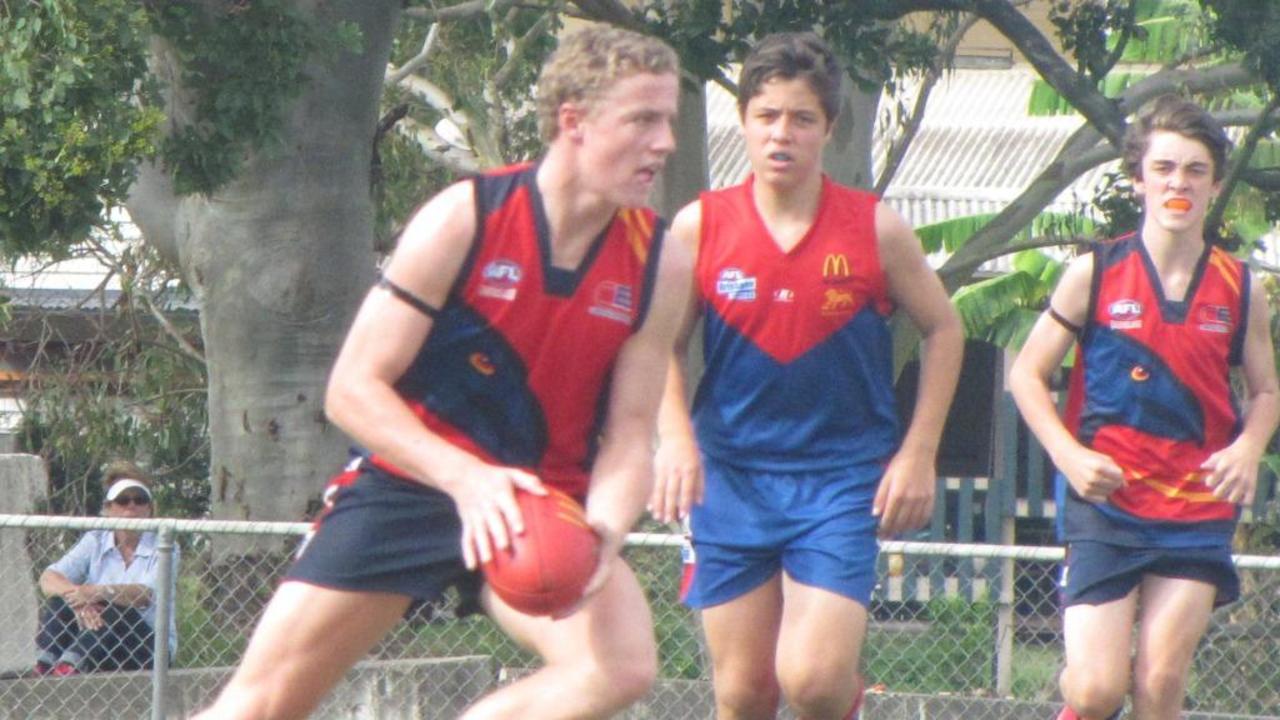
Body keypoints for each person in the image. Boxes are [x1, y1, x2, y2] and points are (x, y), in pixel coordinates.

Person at [193, 25, 691, 720]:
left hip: (543, 501)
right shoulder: (465, 219)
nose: (664, 142)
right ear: (574, 122)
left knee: (619, 668)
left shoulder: (659, 262)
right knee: (259, 705)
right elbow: (351, 389)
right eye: (643, 120)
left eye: (666, 120)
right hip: (417, 484)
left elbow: (632, 432)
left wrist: (606, 526)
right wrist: (465, 477)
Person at [652, 32, 963, 720]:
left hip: (840, 477)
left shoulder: (876, 227)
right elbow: (658, 346)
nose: (781, 134)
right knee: (744, 694)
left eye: (800, 118)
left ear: (828, 127)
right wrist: (673, 440)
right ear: (744, 123)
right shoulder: (701, 224)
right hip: (730, 475)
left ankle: (843, 698)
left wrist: (918, 452)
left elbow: (945, 330)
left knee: (815, 682)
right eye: (766, 116)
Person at [1009, 94, 1280, 720]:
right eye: (1163, 168)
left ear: (1215, 185)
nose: (1177, 183)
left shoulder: (1242, 289)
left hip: (1195, 506)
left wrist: (1248, 446)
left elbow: (1265, 391)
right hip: (1108, 504)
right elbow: (1026, 373)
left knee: (1160, 685)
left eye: (1194, 170)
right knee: (1097, 690)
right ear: (1138, 180)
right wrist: (1069, 456)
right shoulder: (1094, 273)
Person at [34, 461, 180, 675]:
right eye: (122, 500)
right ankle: (43, 664)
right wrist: (78, 601)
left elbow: (144, 594)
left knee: (116, 611)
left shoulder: (165, 547)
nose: (131, 507)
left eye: (140, 500)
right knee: (60, 602)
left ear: (149, 509)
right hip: (100, 640)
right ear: (108, 509)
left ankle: (70, 666)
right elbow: (49, 578)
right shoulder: (96, 540)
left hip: (146, 648)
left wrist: (95, 593)